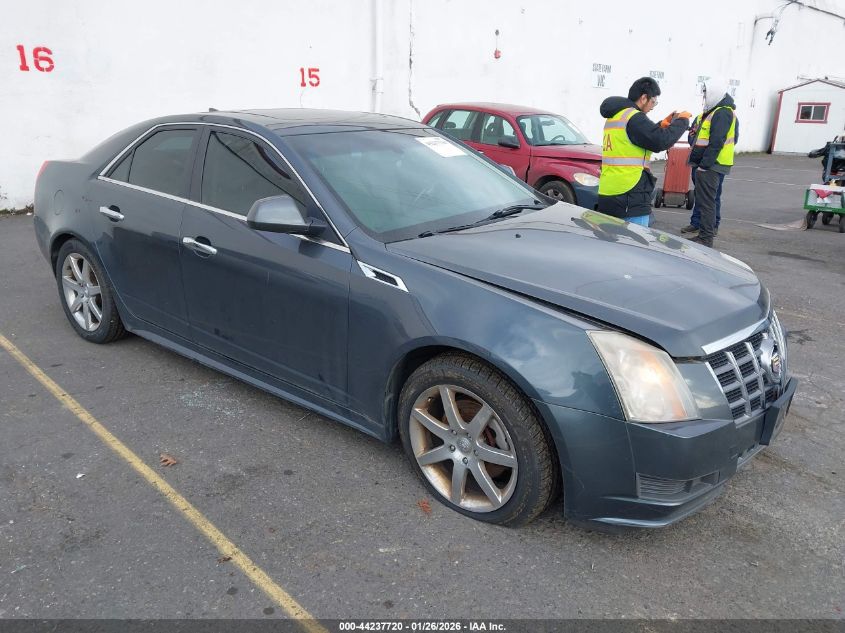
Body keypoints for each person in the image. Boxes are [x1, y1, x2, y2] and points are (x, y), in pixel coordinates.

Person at [598, 77, 690, 226]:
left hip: (608, 191)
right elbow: (661, 141)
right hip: (630, 194)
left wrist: (662, 125)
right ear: (643, 98)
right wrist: (682, 122)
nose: (653, 106)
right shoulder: (634, 118)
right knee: (636, 239)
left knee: (610, 238)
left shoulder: (616, 117)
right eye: (653, 101)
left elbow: (640, 137)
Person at [684, 79, 738, 247]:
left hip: (712, 165)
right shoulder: (714, 112)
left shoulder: (722, 113)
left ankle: (706, 237)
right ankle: (704, 234)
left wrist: (704, 165)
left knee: (708, 202)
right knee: (705, 201)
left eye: (706, 94)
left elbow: (716, 142)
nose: (704, 98)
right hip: (709, 164)